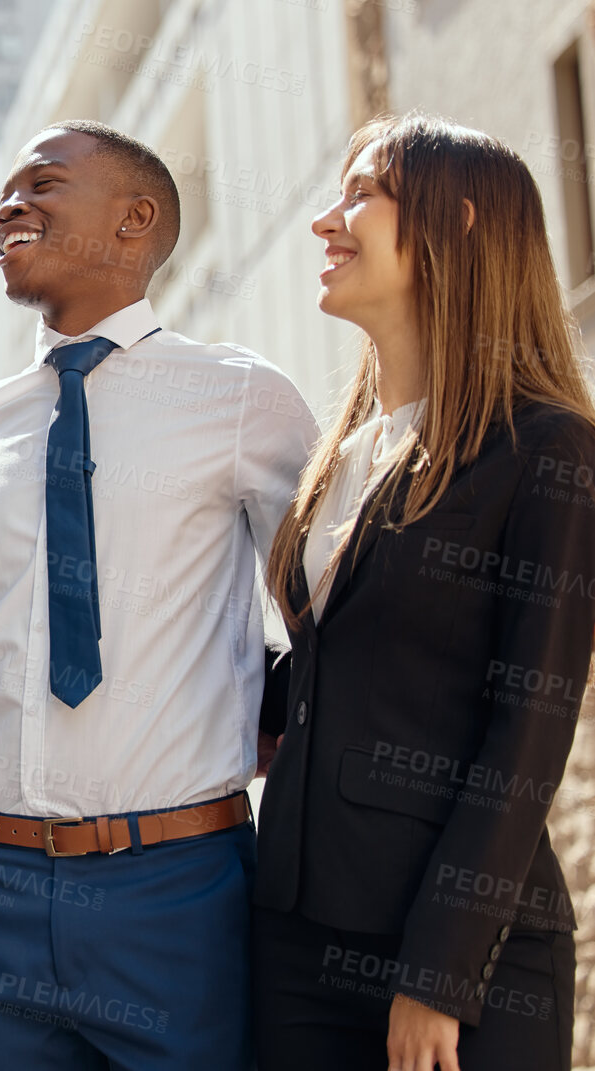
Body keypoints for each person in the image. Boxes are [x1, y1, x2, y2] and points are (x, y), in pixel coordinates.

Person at [0, 120, 318, 1071]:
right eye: (5, 194)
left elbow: (328, 613)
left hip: (175, 882)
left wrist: (260, 703)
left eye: (43, 184)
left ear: (133, 219)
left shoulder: (240, 398)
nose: (9, 205)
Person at [253, 113, 595, 1071]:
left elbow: (529, 729)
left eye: (361, 194)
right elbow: (328, 673)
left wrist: (437, 973)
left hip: (462, 952)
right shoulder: (341, 455)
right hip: (293, 935)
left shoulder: (544, 449)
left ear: (463, 224)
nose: (326, 221)